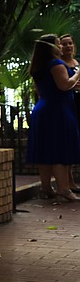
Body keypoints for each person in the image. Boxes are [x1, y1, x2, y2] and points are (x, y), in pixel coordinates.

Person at [26, 34, 80, 201]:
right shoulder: (56, 64)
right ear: (51, 47)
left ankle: (46, 187)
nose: (61, 47)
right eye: (58, 44)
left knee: (46, 150)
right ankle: (64, 189)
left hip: (43, 108)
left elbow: (42, 90)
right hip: (58, 110)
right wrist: (78, 74)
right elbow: (64, 85)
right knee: (59, 149)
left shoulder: (39, 66)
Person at [59, 33, 80, 192]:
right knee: (68, 140)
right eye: (64, 44)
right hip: (67, 103)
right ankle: (69, 180)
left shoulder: (76, 63)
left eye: (70, 43)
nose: (68, 46)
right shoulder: (59, 64)